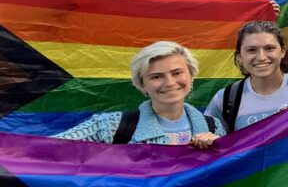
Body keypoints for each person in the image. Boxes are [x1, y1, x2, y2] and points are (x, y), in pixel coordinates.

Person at [54, 41, 225, 146]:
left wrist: (219, 147)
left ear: (191, 75)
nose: (170, 83)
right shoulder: (110, 126)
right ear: (142, 84)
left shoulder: (213, 127)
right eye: (156, 76)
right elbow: (47, 149)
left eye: (177, 73)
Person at [206, 21, 288, 132]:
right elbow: (208, 144)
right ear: (239, 57)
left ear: (283, 51)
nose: (261, 57)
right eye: (251, 50)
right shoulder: (224, 100)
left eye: (269, 48)